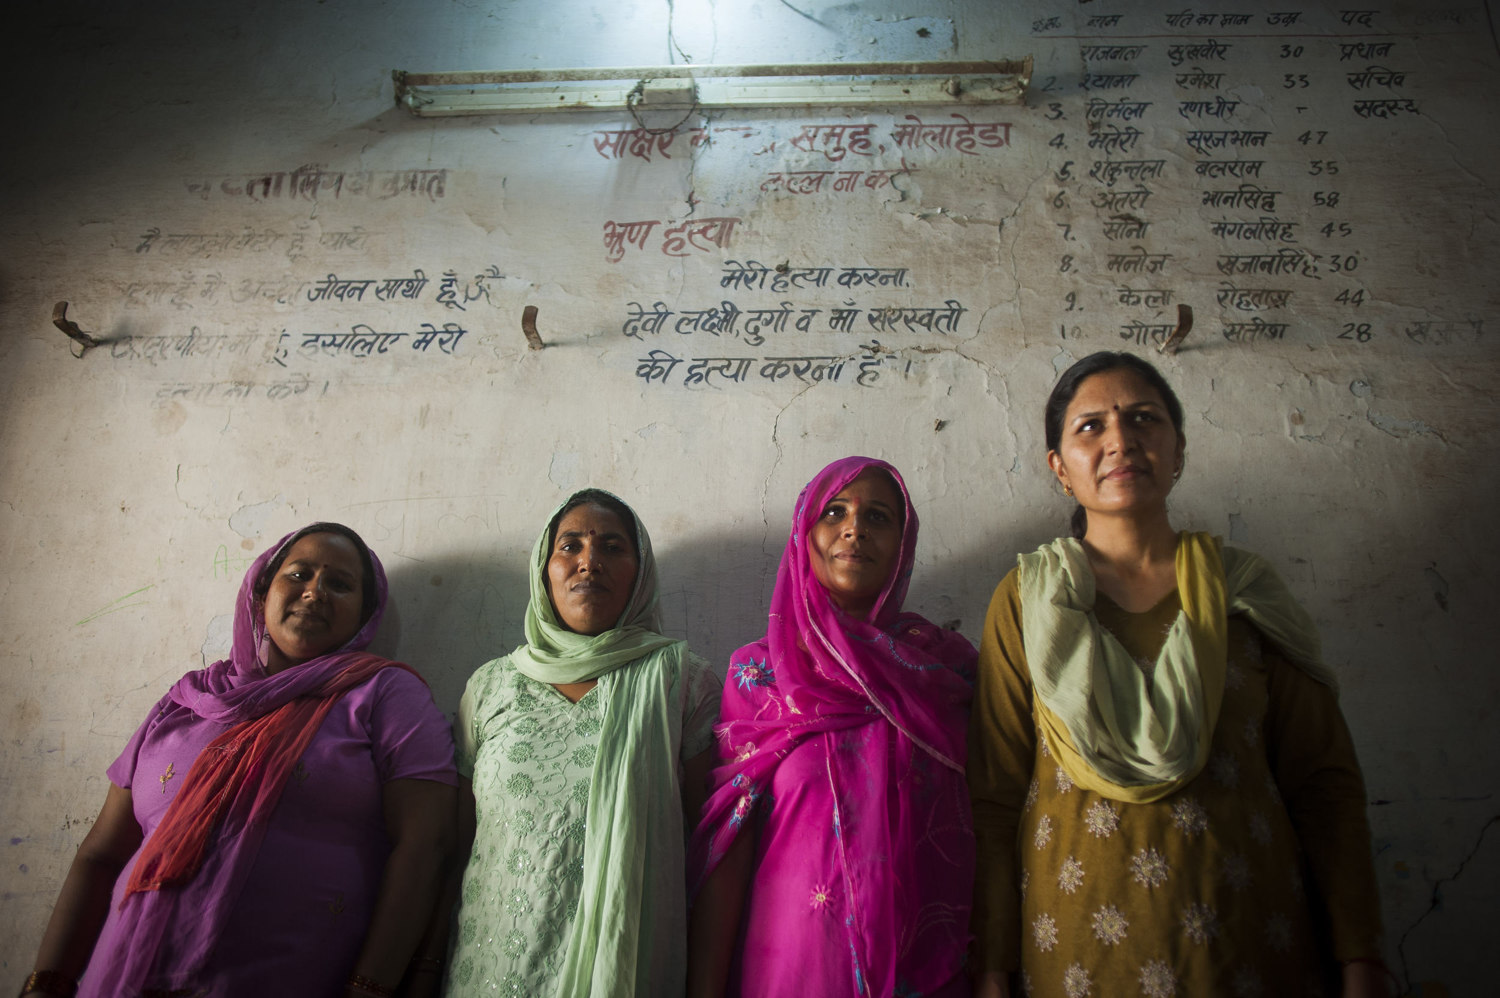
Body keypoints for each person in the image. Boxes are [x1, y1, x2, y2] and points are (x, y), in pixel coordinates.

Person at [968, 352, 1390, 998]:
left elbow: (1324, 787)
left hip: (1251, 944)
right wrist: (993, 971)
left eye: (1144, 419)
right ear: (1059, 468)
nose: (1121, 440)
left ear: (1178, 449)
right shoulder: (1026, 600)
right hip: (1075, 954)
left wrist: (1361, 960)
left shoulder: (1246, 594)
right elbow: (995, 798)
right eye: (1090, 427)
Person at [22, 523, 459, 998]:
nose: (314, 592)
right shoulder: (189, 699)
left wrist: (370, 987)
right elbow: (101, 854)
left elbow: (425, 846)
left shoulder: (385, 694)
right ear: (260, 593)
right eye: (299, 574)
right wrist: (47, 983)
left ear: (364, 614)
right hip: (124, 973)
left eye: (339, 584)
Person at [688, 456, 978, 998]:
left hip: (929, 966)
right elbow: (729, 848)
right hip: (797, 965)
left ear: (903, 542)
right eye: (834, 512)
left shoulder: (947, 673)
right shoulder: (761, 676)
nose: (854, 529)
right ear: (804, 534)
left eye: (878, 517)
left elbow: (985, 821)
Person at [444, 488, 721, 997]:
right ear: (543, 570)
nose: (589, 562)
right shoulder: (489, 686)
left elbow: (711, 859)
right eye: (570, 546)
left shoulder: (681, 682)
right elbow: (457, 845)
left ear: (640, 573)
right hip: (489, 969)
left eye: (612, 547)